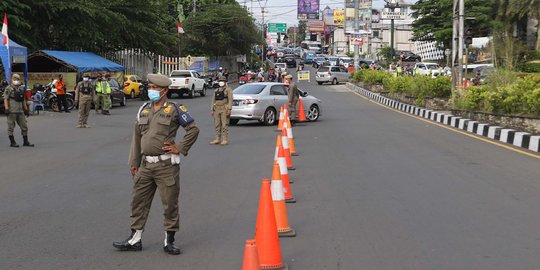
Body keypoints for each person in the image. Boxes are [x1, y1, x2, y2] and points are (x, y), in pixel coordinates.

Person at [113, 74, 199, 255]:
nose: (150, 90)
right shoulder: (144, 109)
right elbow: (137, 137)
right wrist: (134, 162)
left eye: (154, 88)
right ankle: (135, 238)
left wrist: (180, 147)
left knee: (169, 204)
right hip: (145, 166)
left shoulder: (175, 109)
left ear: (164, 90)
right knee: (138, 201)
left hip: (166, 166)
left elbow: (193, 129)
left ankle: (169, 240)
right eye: (150, 87)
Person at [3, 74, 34, 147]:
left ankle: (25, 141)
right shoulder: (9, 88)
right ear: (12, 79)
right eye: (15, 79)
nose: (16, 80)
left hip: (20, 111)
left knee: (24, 126)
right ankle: (12, 142)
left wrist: (26, 109)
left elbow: (23, 99)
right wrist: (6, 108)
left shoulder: (21, 89)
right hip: (12, 111)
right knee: (11, 127)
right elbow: (5, 99)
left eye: (18, 79)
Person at [210, 76, 233, 145]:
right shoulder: (216, 90)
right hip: (217, 108)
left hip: (224, 108)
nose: (221, 82)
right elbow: (213, 100)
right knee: (217, 125)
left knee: (224, 124)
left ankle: (225, 139)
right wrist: (212, 109)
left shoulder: (228, 90)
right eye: (220, 81)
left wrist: (229, 109)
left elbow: (230, 100)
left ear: (225, 82)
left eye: (222, 81)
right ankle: (217, 139)